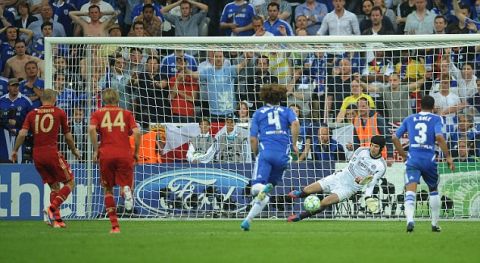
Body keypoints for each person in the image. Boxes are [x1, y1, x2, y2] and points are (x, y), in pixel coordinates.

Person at [11, 89, 81, 228]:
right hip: (51, 152)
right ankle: (51, 208)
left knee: (54, 186)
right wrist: (74, 150)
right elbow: (67, 136)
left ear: (41, 99)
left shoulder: (32, 114)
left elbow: (22, 133)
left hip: (37, 155)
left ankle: (57, 221)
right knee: (70, 182)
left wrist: (15, 150)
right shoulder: (59, 112)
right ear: (54, 99)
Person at [240, 84, 300, 231]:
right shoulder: (287, 111)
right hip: (283, 157)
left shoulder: (258, 113)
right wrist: (294, 144)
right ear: (281, 97)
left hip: (266, 154)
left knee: (256, 187)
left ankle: (261, 187)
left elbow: (253, 139)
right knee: (265, 194)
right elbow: (296, 123)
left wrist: (256, 155)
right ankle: (247, 220)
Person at [392, 95, 455, 233]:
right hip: (429, 159)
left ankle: (410, 220)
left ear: (420, 105)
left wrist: (403, 155)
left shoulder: (409, 119)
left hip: (413, 158)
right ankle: (434, 224)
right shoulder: (436, 118)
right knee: (433, 189)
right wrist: (448, 157)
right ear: (433, 107)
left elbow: (394, 137)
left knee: (410, 190)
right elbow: (439, 136)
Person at [287, 135, 387, 222]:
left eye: (376, 146)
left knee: (324, 202)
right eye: (372, 145)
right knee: (307, 190)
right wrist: (358, 178)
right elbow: (350, 166)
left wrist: (368, 196)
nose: (373, 148)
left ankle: (301, 216)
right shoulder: (361, 151)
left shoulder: (381, 166)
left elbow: (371, 183)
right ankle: (300, 194)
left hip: (350, 188)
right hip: (340, 177)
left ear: (381, 148)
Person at [89, 88, 141, 234]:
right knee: (126, 183)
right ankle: (125, 190)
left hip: (106, 153)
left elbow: (91, 129)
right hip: (124, 153)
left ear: (103, 100)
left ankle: (114, 226)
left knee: (108, 189)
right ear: (118, 99)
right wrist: (136, 152)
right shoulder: (126, 113)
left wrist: (95, 149)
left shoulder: (97, 113)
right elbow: (137, 133)